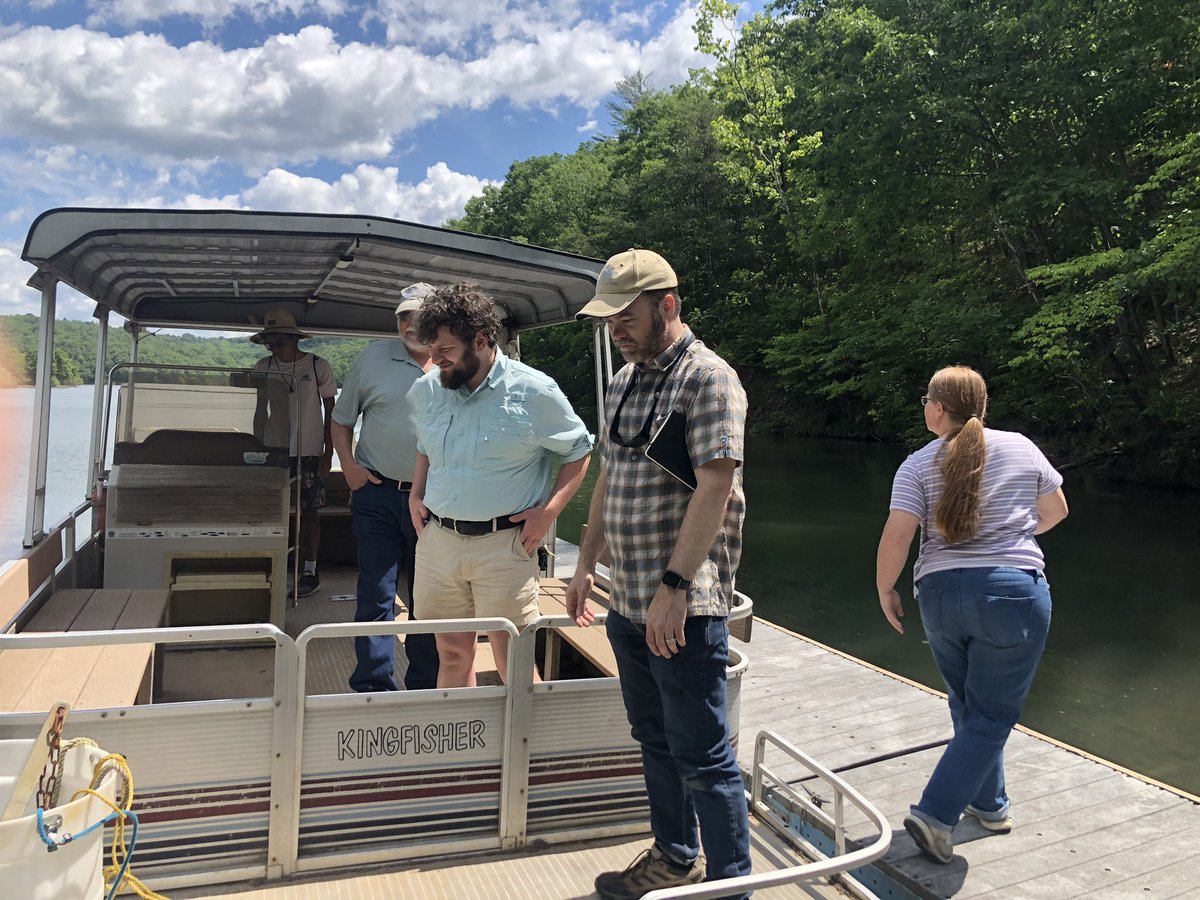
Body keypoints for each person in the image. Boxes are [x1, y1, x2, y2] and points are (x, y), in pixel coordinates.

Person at [565, 249, 752, 900]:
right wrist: (584, 562)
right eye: (608, 319)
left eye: (626, 315)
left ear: (666, 305)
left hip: (683, 605)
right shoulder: (623, 382)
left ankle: (731, 887)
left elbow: (716, 488)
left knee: (703, 753)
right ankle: (675, 857)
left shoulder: (709, 379)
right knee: (653, 737)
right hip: (627, 599)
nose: (615, 328)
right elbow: (609, 477)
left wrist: (675, 589)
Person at [875, 365, 1069, 864]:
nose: (925, 406)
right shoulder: (1021, 448)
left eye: (926, 400)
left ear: (939, 408)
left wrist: (885, 588)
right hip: (1012, 595)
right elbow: (1056, 511)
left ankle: (989, 805)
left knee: (969, 704)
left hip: (940, 595)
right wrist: (1013, 535)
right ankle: (936, 814)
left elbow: (898, 534)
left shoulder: (917, 464)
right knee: (993, 712)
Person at [408, 282, 593, 688]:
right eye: (431, 348)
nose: (435, 359)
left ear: (480, 340)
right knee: (452, 654)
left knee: (513, 657)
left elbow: (579, 452)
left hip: (504, 544)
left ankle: (524, 731)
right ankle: (463, 731)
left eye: (446, 350)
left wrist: (548, 514)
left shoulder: (534, 390)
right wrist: (416, 493)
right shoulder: (427, 389)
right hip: (439, 541)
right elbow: (425, 444)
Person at [331, 283, 441, 692]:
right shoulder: (372, 358)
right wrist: (349, 467)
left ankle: (425, 684)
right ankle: (373, 686)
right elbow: (341, 420)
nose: (410, 324)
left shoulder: (456, 361)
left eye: (419, 316)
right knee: (376, 593)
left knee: (428, 598)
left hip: (435, 500)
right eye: (403, 316)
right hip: (376, 494)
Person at [250, 310, 336, 599]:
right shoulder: (263, 366)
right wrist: (256, 446)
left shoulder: (317, 365)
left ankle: (309, 572)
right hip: (274, 450)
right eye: (269, 342)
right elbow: (260, 409)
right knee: (270, 511)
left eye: (279, 341)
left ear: (294, 339)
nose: (274, 347)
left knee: (310, 512)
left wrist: (329, 452)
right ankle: (267, 566)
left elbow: (331, 411)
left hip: (310, 450)